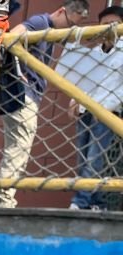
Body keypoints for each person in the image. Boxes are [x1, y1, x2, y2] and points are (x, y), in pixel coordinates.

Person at [0, 0, 91, 208]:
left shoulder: (50, 31)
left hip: (28, 96)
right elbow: (11, 38)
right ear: (62, 11)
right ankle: (3, 200)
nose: (70, 29)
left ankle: (3, 197)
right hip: (23, 95)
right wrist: (19, 74)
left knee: (19, 147)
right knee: (19, 146)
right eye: (71, 23)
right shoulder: (41, 22)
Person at [60, 4, 122, 211]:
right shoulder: (94, 53)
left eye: (115, 24)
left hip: (107, 113)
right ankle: (96, 203)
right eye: (105, 24)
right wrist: (74, 100)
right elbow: (83, 81)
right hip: (85, 112)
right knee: (83, 158)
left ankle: (80, 202)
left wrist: (103, 108)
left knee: (95, 158)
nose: (109, 27)